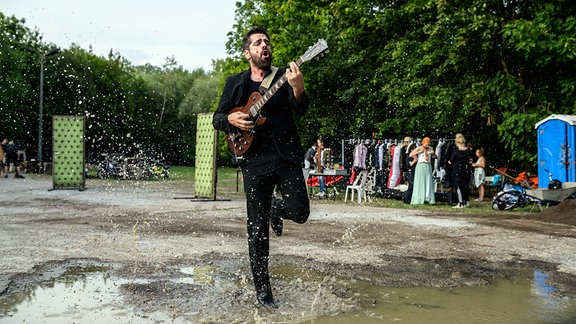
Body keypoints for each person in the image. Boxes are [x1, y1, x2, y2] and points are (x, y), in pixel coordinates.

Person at [212, 27, 310, 308]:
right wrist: (231, 120)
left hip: (285, 156)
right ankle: (263, 292)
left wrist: (298, 88)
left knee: (300, 213)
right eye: (258, 42)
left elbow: (300, 108)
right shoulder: (236, 83)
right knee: (256, 229)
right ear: (248, 53)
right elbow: (217, 118)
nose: (264, 45)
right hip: (253, 161)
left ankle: (276, 208)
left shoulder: (283, 76)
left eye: (266, 42)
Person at [449, 133, 475, 208]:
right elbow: (471, 160)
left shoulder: (456, 151)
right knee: (465, 186)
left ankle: (460, 202)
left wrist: (449, 162)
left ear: (457, 142)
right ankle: (466, 201)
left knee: (458, 186)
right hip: (466, 169)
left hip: (457, 170)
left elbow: (451, 161)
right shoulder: (468, 151)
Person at [410, 137, 436, 205]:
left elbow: (436, 157)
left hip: (428, 166)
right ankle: (419, 198)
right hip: (421, 166)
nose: (427, 145)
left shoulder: (430, 148)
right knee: (420, 182)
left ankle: (427, 197)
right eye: (426, 144)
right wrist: (419, 152)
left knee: (428, 181)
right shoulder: (419, 147)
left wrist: (433, 154)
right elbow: (411, 154)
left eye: (428, 144)